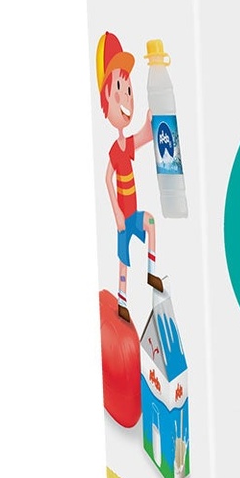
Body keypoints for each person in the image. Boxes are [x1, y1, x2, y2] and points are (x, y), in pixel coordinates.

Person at [97, 32, 159, 318]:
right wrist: (117, 214)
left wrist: (148, 123)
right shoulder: (114, 149)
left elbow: (145, 136)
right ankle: (123, 301)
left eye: (128, 89)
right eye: (119, 89)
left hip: (134, 213)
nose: (126, 98)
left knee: (151, 223)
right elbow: (107, 179)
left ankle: (152, 272)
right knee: (123, 259)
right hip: (124, 214)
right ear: (106, 97)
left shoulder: (128, 143)